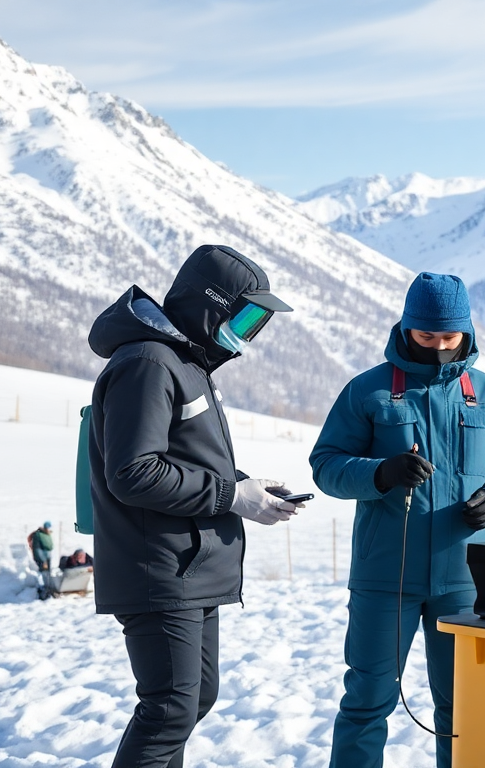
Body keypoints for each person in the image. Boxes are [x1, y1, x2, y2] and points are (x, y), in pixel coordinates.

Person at [311, 271, 485, 768]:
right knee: (367, 701)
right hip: (383, 575)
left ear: (467, 333)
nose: (438, 346)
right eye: (426, 336)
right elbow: (325, 465)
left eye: (449, 337)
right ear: (406, 328)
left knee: (464, 705)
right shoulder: (367, 391)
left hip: (464, 577)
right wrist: (380, 473)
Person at [88, 244, 300, 767]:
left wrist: (246, 484)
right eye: (245, 317)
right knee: (169, 709)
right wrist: (231, 496)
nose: (247, 334)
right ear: (212, 304)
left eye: (258, 324)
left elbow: (184, 456)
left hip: (191, 563)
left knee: (191, 702)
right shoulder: (147, 363)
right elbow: (134, 472)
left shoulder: (186, 362)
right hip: (159, 567)